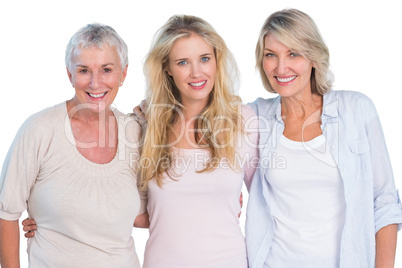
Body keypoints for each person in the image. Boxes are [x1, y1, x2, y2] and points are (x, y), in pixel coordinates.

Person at [245, 9, 402, 268]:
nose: (281, 67)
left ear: (314, 58)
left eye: (293, 53)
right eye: (271, 55)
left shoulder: (356, 109)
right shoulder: (256, 116)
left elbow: (384, 202)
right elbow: (202, 122)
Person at [0, 23, 148, 267]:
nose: (95, 83)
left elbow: (142, 215)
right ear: (70, 75)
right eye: (83, 71)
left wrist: (215, 203)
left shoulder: (135, 132)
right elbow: (6, 214)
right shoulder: (40, 129)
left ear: (123, 74)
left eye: (106, 70)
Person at [138, 15, 258, 267]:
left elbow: (268, 199)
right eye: (183, 62)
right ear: (167, 68)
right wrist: (53, 220)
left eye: (205, 58)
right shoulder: (146, 125)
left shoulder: (243, 121)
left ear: (216, 60)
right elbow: (121, 204)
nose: (196, 72)